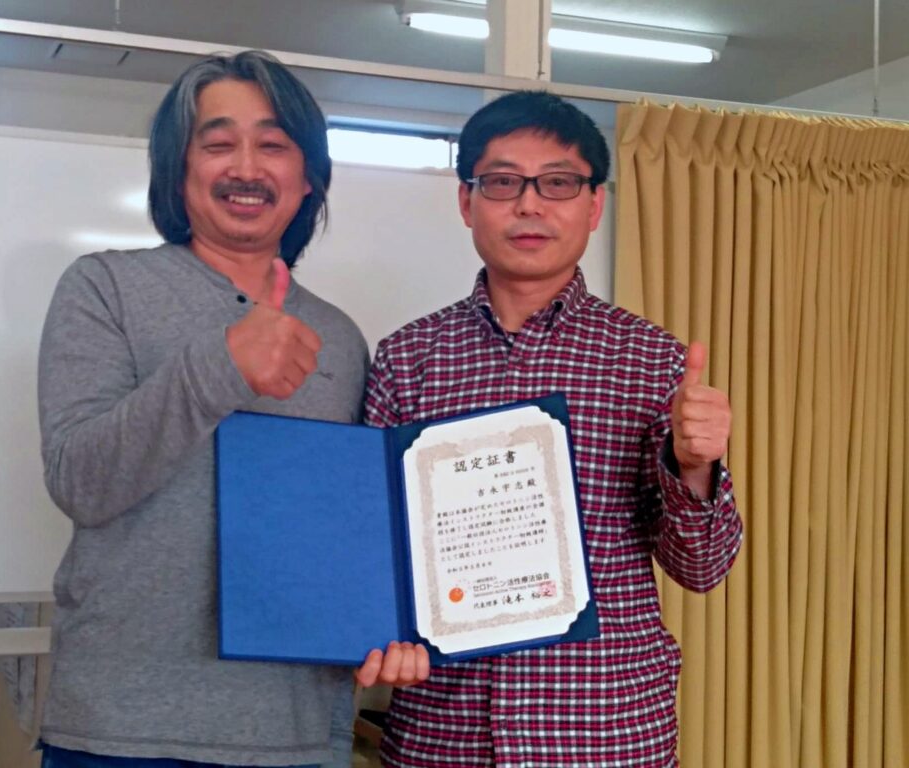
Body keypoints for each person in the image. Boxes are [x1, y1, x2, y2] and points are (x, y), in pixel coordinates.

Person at [36, 51, 427, 768]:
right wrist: (221, 365)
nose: (246, 168)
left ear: (308, 178)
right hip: (122, 727)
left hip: (294, 731)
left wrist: (394, 625)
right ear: (177, 169)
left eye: (273, 145)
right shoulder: (103, 288)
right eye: (218, 144)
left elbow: (351, 529)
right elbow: (79, 482)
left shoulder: (340, 338)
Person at [364, 90, 743, 767]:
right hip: (442, 733)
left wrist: (695, 467)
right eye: (503, 182)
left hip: (603, 731)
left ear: (594, 205)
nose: (530, 205)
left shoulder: (650, 360)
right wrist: (380, 634)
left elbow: (702, 569)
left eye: (559, 183)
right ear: (466, 201)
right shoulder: (408, 358)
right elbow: (372, 545)